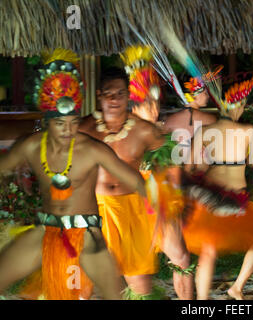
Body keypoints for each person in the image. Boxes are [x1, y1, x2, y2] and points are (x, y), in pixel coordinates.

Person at [0, 49, 148, 300]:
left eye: (73, 122)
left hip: (87, 236)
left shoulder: (91, 149)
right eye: (60, 124)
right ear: (47, 121)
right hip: (47, 230)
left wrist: (156, 212)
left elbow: (134, 180)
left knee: (115, 296)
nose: (68, 130)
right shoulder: (32, 145)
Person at [183, 72, 253, 300]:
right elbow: (252, 162)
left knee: (209, 251)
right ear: (238, 105)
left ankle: (204, 301)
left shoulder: (204, 132)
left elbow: (189, 168)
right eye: (243, 105)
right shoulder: (248, 131)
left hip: (211, 196)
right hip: (234, 197)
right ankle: (236, 287)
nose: (243, 110)